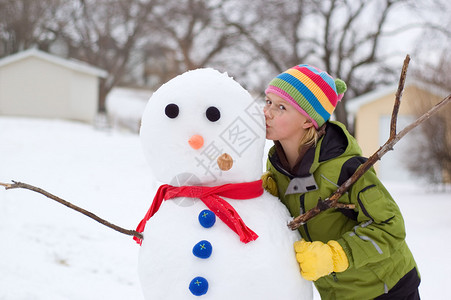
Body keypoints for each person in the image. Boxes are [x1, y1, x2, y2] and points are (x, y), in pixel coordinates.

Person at [262, 64, 420, 299]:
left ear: (308, 121)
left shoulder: (346, 168)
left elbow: (390, 226)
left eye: (281, 107)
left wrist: (335, 255)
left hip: (387, 288)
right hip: (337, 294)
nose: (267, 112)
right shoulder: (276, 167)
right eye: (268, 102)